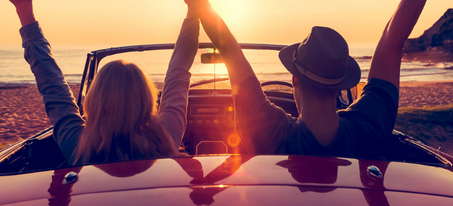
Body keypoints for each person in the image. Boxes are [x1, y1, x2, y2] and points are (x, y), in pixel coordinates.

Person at [189, 0, 426, 159]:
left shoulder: (270, 132)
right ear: (342, 85)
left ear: (294, 80)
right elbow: (393, 39)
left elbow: (229, 50)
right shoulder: (369, 127)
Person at [10, 0, 200, 165]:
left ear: (95, 99)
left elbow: (51, 82)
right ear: (146, 99)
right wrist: (194, 10)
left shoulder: (79, 148)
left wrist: (24, 9)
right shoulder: (167, 137)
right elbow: (178, 72)